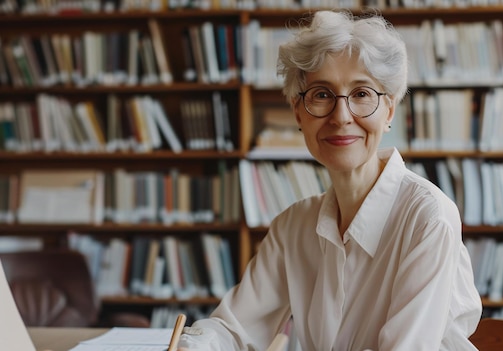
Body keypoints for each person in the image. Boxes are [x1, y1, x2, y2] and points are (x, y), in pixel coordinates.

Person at [178, 9, 482, 351]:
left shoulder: (428, 219)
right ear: (298, 113)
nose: (341, 117)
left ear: (390, 111)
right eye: (321, 95)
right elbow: (234, 329)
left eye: (362, 94)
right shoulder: (293, 227)